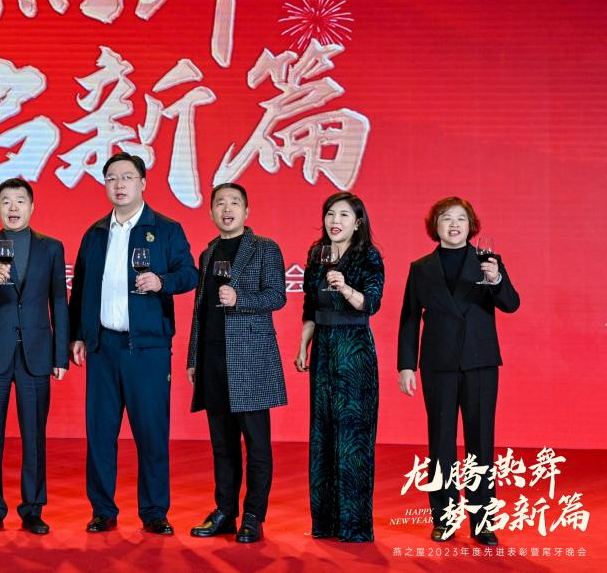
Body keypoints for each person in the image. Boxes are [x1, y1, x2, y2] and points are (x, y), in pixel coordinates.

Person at [68, 153, 197, 535]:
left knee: (151, 431)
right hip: (103, 347)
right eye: (112, 178)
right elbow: (80, 289)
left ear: (143, 183)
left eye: (127, 177)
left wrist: (162, 282)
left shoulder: (166, 229)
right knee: (100, 433)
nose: (119, 185)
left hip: (148, 348)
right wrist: (78, 334)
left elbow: (189, 273)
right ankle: (102, 510)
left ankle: (154, 511)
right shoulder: (95, 233)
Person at [397, 196, 520, 545]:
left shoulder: (488, 262)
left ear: (471, 225)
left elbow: (511, 304)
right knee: (441, 443)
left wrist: (496, 280)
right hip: (438, 364)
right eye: (446, 218)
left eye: (461, 219)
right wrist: (406, 365)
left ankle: (483, 521)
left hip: (480, 362)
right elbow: (409, 319)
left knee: (481, 441)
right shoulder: (421, 268)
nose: (454, 224)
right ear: (434, 226)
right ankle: (445, 518)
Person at [0, 177, 69, 535]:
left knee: (34, 437)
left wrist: (60, 354)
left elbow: (59, 301)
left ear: (31, 207)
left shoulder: (51, 247)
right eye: (6, 201)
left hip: (36, 355)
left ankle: (33, 509)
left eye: (20, 201)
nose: (13, 207)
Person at [186, 182, 286, 544]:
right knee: (222, 445)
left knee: (257, 445)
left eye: (234, 203)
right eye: (219, 203)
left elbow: (277, 296)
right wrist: (194, 357)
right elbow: (199, 311)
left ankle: (254, 516)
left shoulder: (265, 248)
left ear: (246, 211)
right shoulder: (208, 252)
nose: (226, 209)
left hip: (250, 361)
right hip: (213, 359)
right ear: (211, 211)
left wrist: (239, 298)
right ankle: (225, 511)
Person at [293, 191, 384, 542]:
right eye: (331, 214)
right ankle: (325, 523)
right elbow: (309, 307)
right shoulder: (317, 255)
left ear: (358, 222)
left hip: (354, 350)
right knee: (323, 434)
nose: (335, 221)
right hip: (323, 350)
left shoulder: (368, 256)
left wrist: (345, 288)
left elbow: (370, 302)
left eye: (344, 215)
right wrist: (303, 345)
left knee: (353, 438)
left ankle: (354, 526)